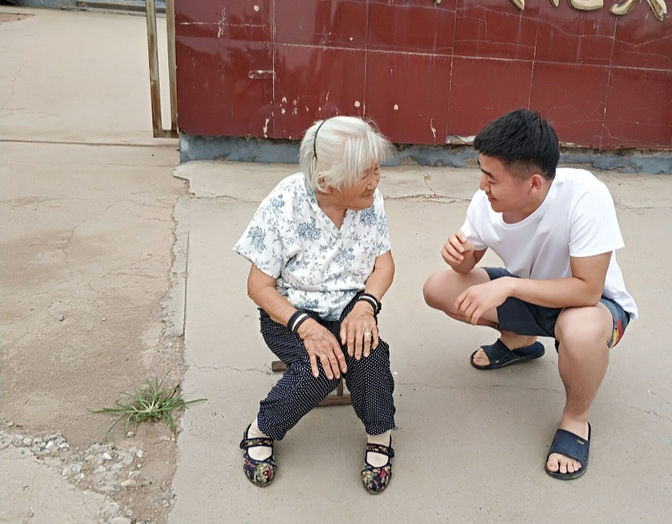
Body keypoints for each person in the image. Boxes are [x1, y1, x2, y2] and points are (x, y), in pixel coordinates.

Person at [422, 109, 637, 480]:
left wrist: (507, 285)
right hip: (530, 291)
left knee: (579, 330)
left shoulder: (585, 197)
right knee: (439, 288)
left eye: (491, 178)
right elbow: (469, 260)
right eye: (481, 172)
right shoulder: (486, 201)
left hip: (594, 307)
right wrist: (458, 257)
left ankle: (576, 419)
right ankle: (519, 342)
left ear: (534, 184)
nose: (482, 186)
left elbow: (588, 289)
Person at [233, 116, 397, 494]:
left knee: (369, 356)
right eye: (365, 174)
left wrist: (365, 306)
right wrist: (307, 328)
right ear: (326, 182)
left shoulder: (369, 200)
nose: (376, 181)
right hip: (291, 315)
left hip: (351, 307)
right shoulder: (284, 204)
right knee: (320, 369)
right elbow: (258, 286)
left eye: (376, 170)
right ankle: (261, 429)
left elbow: (384, 265)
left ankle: (380, 435)